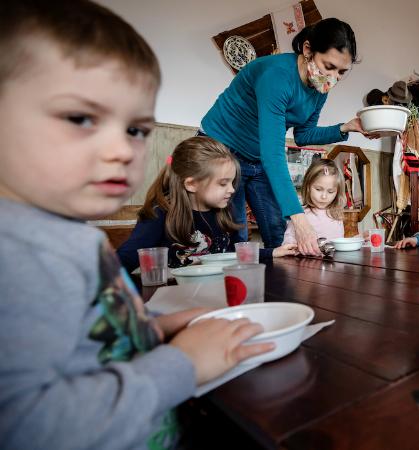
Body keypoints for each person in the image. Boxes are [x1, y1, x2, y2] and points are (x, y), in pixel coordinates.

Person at [0, 2, 274, 448]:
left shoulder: (69, 239)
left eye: (136, 130)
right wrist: (181, 364)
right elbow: (23, 427)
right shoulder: (20, 257)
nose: (122, 149)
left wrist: (153, 325)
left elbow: (91, 334)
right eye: (80, 118)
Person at [200, 17, 374, 257]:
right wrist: (301, 220)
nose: (333, 78)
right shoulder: (277, 75)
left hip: (257, 157)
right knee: (235, 235)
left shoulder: (319, 88)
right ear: (307, 49)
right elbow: (273, 153)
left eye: (342, 72)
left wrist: (344, 128)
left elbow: (303, 135)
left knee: (277, 232)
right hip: (221, 149)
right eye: (329, 66)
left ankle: (282, 292)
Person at [117, 136, 297, 271]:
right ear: (191, 184)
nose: (232, 190)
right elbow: (125, 260)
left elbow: (234, 254)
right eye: (222, 183)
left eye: (232, 183)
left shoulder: (225, 210)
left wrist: (272, 252)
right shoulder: (160, 213)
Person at [282, 158, 345, 244]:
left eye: (330, 191)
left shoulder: (336, 215)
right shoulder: (300, 214)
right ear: (308, 187)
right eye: (318, 189)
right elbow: (288, 240)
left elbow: (340, 242)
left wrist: (360, 238)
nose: (324, 196)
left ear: (337, 192)